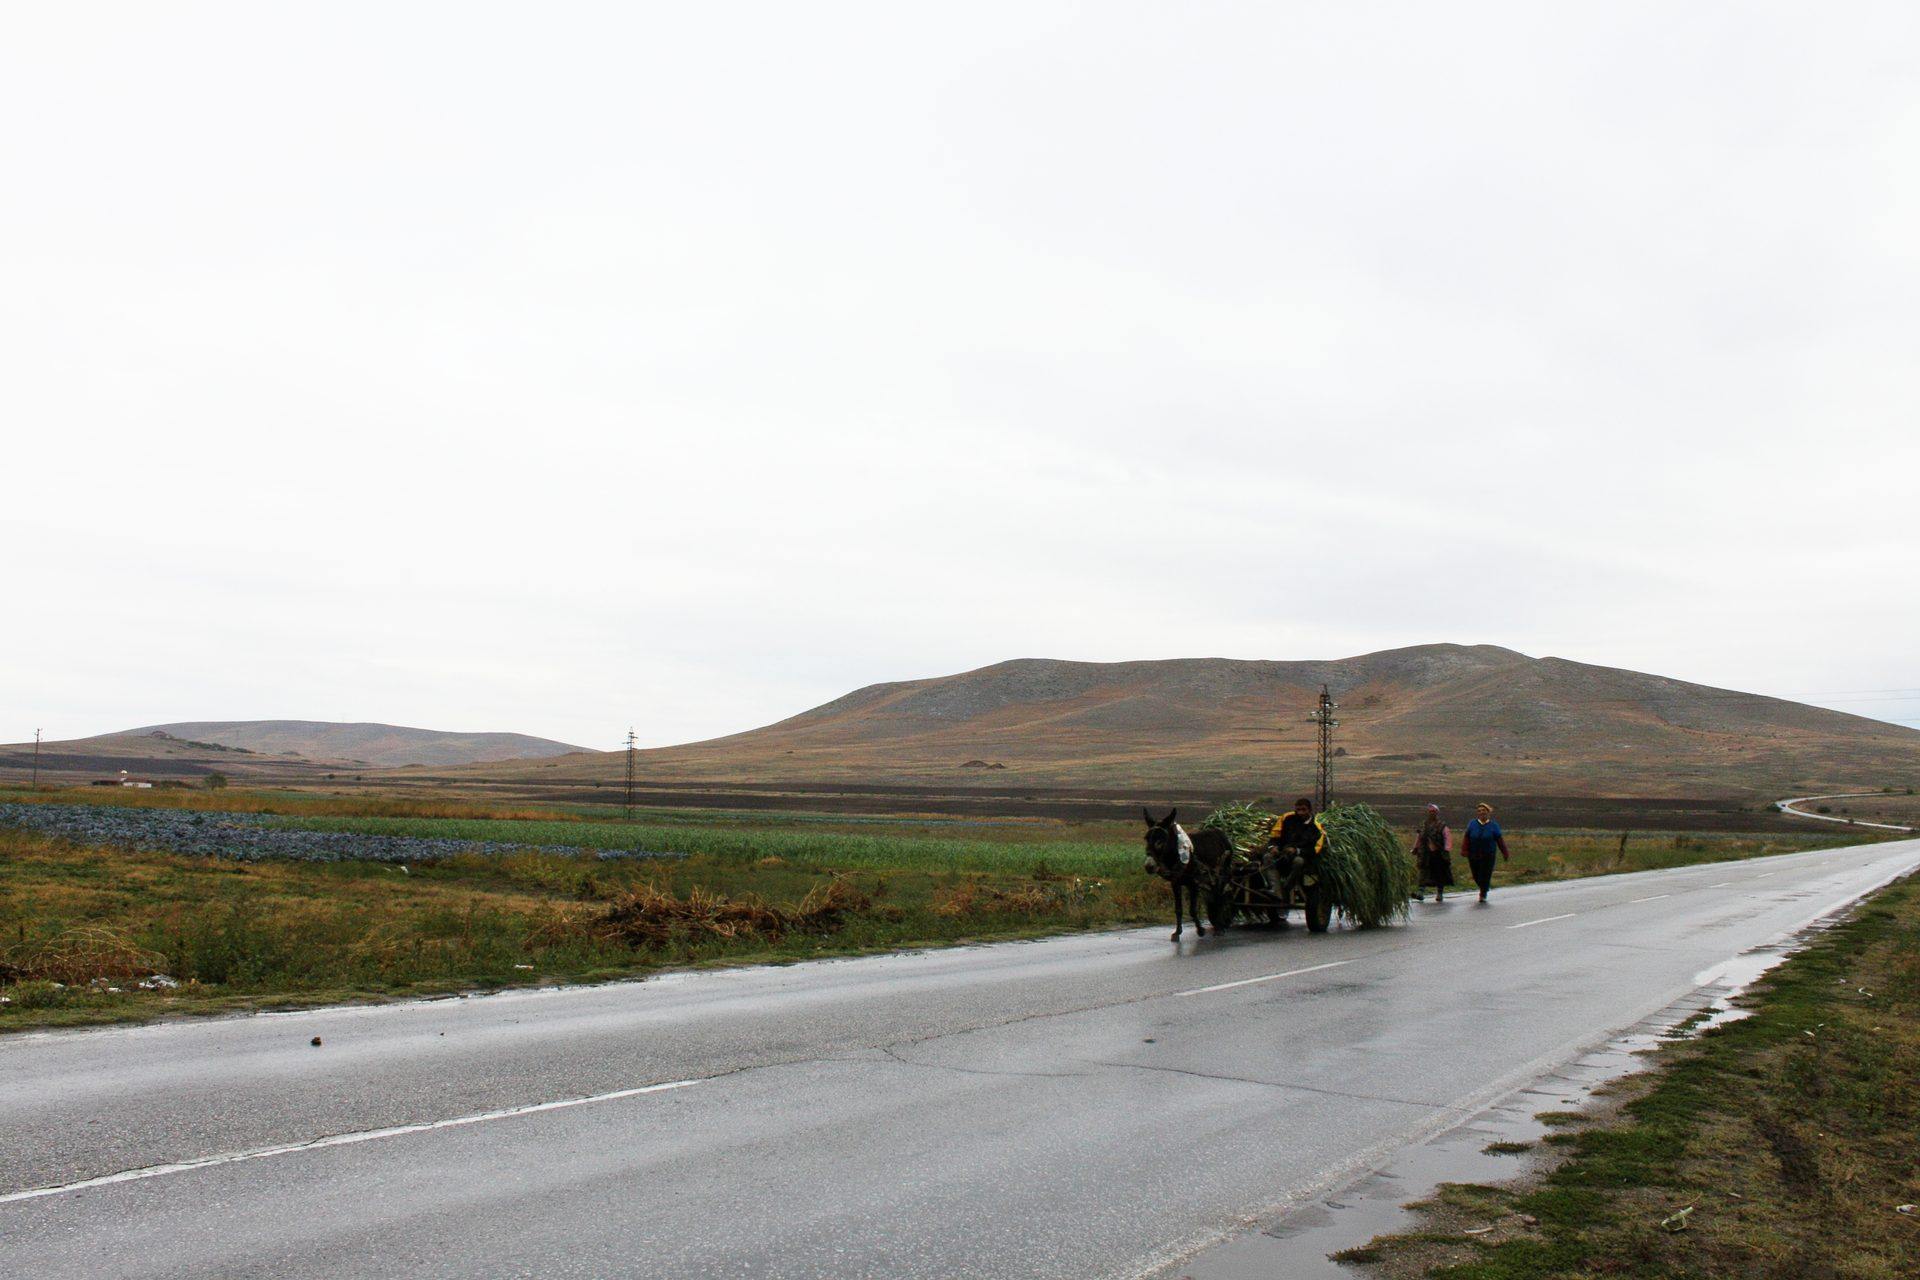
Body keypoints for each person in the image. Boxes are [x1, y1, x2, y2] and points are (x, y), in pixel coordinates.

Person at [1261, 797, 1326, 896]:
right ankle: (1275, 890)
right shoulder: (1286, 818)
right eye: (1298, 810)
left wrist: (1297, 850)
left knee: (1298, 861)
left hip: (1303, 858)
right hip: (1282, 854)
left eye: (1303, 810)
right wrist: (1274, 847)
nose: (1300, 813)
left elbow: (1315, 849)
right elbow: (1275, 835)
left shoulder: (1316, 827)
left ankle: (1286, 889)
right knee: (1267, 857)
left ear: (1309, 810)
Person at [1462, 802, 1510, 902]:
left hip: (1488, 854)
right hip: (1473, 854)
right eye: (1479, 811)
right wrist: (1464, 850)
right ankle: (1484, 887)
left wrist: (1505, 853)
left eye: (1483, 810)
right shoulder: (1472, 823)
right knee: (1476, 875)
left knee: (1485, 874)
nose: (1481, 812)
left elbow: (1500, 840)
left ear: (1488, 812)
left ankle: (1483, 893)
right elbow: (1467, 837)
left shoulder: (1493, 825)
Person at [1412, 803, 1453, 902]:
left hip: (1438, 853)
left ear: (1437, 813)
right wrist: (1415, 848)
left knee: (1439, 872)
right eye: (1430, 811)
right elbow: (1419, 838)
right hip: (1425, 853)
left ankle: (1440, 893)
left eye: (1434, 811)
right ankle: (1420, 892)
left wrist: (1446, 850)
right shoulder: (1423, 825)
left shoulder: (1442, 826)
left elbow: (1447, 838)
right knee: (1423, 872)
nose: (1432, 813)